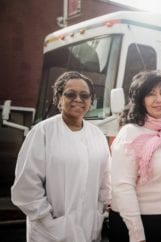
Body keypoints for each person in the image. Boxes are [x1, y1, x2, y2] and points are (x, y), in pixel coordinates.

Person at [11, 71, 111, 241]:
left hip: (89, 228)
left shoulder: (97, 135)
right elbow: (26, 186)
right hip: (49, 232)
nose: (78, 99)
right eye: (70, 94)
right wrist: (48, 220)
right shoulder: (42, 132)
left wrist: (101, 212)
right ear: (58, 99)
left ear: (91, 100)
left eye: (84, 95)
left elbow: (105, 180)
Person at [109, 70, 161, 242]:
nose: (159, 99)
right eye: (151, 94)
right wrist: (137, 234)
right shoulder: (130, 133)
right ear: (140, 100)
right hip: (136, 226)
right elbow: (122, 186)